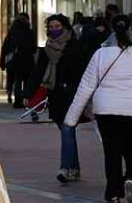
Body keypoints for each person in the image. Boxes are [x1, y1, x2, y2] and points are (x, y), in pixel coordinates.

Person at [65, 13, 132, 203]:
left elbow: (86, 86)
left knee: (112, 152)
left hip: (106, 109)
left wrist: (71, 118)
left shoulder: (100, 54)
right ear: (130, 29)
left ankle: (112, 193)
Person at [27, 14, 88, 184]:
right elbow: (38, 71)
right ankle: (74, 167)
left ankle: (65, 168)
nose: (54, 30)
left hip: (72, 94)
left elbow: (82, 70)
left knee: (68, 130)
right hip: (56, 96)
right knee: (66, 131)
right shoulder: (46, 49)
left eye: (57, 26)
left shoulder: (74, 46)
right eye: (51, 27)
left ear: (66, 27)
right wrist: (28, 93)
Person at [0, 13, 35, 108]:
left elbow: (5, 47)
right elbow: (32, 47)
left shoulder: (12, 32)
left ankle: (17, 100)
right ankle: (26, 99)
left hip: (14, 61)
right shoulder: (29, 32)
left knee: (17, 80)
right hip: (26, 60)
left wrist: (2, 61)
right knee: (27, 81)